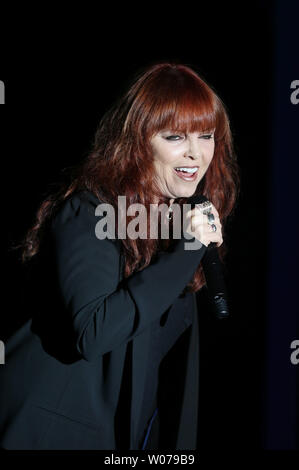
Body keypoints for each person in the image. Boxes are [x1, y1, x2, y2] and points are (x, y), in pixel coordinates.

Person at [0, 62, 240, 450]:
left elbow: (168, 377)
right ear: (139, 141)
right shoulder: (89, 212)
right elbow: (93, 332)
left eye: (207, 136)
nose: (196, 154)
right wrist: (187, 251)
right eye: (175, 136)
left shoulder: (174, 227)